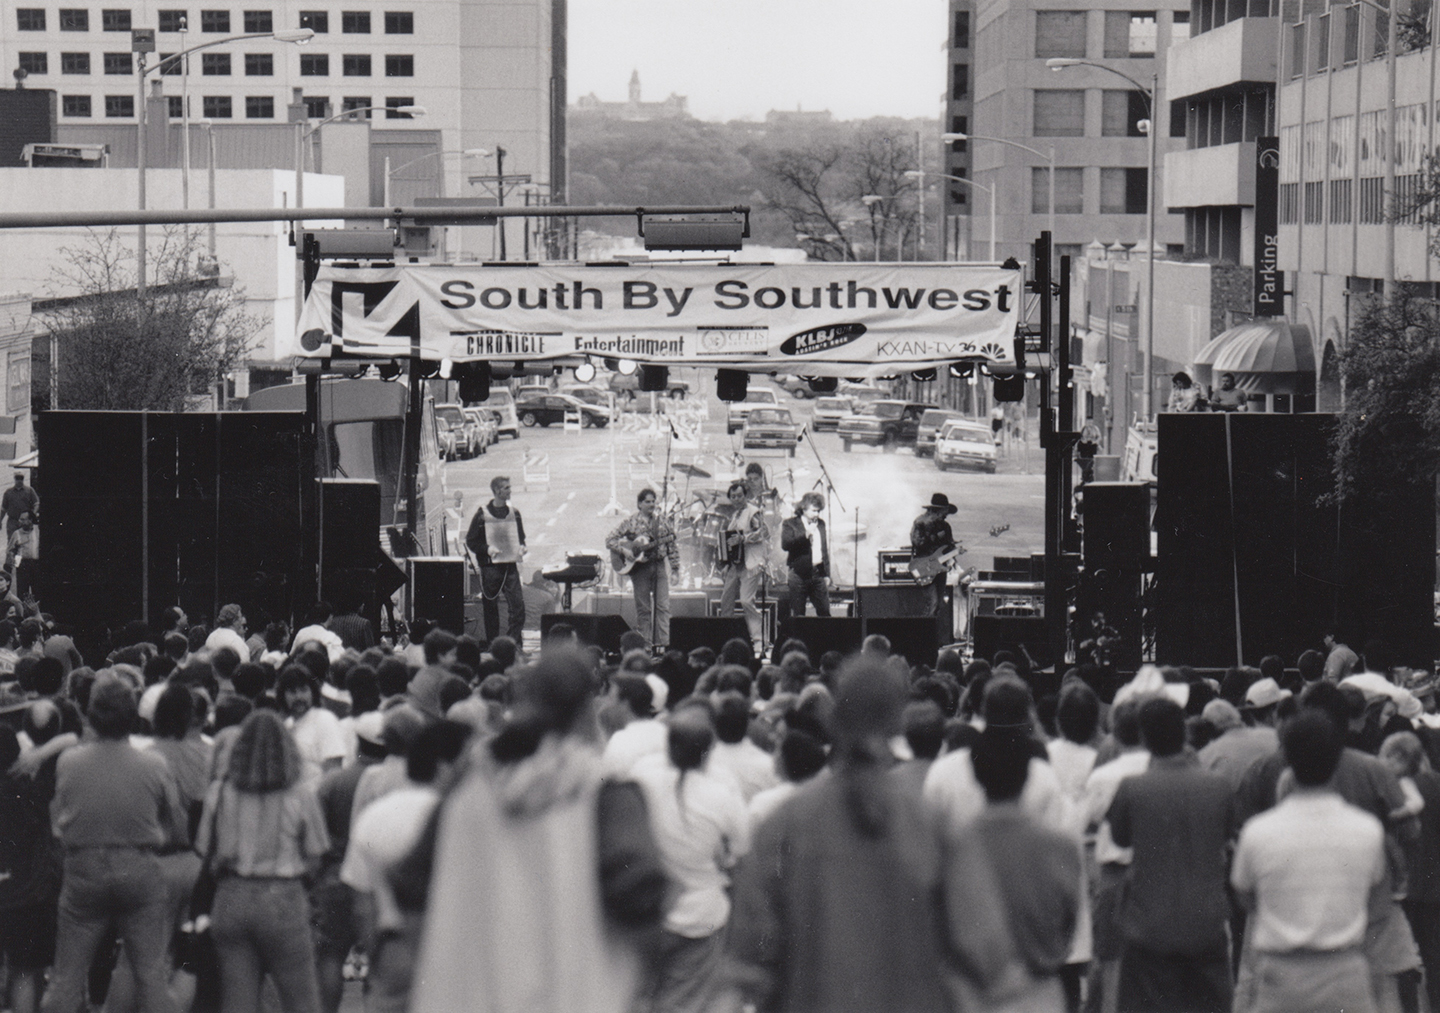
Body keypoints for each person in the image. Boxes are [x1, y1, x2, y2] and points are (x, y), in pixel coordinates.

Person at [728, 658, 1016, 1013]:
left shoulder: (785, 823)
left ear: (833, 720)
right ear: (897, 722)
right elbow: (988, 950)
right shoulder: (932, 826)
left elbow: (747, 958)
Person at [409, 649, 665, 1013]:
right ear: (586, 709)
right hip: (576, 995)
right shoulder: (603, 793)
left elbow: (410, 880)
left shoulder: (469, 786)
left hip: (474, 994)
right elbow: (641, 889)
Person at [42, 675, 187, 1013]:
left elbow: (57, 823)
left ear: (91, 715)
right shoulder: (153, 763)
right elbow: (178, 826)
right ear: (132, 715)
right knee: (151, 977)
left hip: (83, 870)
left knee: (66, 978)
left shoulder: (69, 762)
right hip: (139, 869)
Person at [1230, 710, 1385, 1013]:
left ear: (1286, 757)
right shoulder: (1367, 829)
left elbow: (1246, 897)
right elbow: (1375, 902)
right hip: (1345, 974)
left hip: (1281, 978)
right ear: (1337, 758)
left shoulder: (1258, 832)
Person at [1106, 696, 1234, 1013]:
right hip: (1206, 923)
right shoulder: (1218, 786)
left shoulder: (1131, 788)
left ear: (1145, 737)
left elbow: (1120, 839)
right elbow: (1227, 834)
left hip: (1148, 924)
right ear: (1184, 732)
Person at [197, 709, 329, 1013]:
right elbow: (315, 854)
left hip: (231, 897)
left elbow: (205, 848)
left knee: (238, 1001)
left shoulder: (220, 793)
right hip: (283, 897)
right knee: (301, 999)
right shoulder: (301, 795)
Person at [630, 702, 750, 1012]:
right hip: (700, 914)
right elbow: (742, 846)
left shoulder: (641, 775)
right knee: (684, 1002)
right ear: (709, 750)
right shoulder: (721, 791)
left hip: (646, 909)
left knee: (641, 996)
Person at [605, 487, 679, 651]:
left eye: (653, 501)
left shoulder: (662, 522)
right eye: (647, 501)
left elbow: (671, 546)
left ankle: (667, 646)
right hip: (640, 570)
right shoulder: (630, 522)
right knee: (643, 609)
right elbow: (609, 540)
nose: (651, 504)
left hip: (659, 566)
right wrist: (625, 551)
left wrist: (675, 569)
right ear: (639, 504)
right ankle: (646, 646)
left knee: (663, 607)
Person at [465, 476, 527, 643]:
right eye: (507, 488)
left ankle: (513, 643)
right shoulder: (482, 515)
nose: (510, 491)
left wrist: (522, 547)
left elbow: (521, 538)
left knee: (518, 608)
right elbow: (471, 540)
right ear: (498, 491)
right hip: (491, 568)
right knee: (491, 609)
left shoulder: (515, 514)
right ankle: (494, 644)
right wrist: (487, 549)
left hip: (510, 567)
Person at [718, 481, 768, 651]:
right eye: (733, 496)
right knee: (726, 601)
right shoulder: (735, 515)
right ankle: (726, 640)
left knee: (746, 601)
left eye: (740, 495)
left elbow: (763, 532)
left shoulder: (753, 512)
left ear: (745, 495)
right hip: (735, 565)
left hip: (751, 563)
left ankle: (759, 641)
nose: (737, 499)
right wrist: (726, 563)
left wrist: (743, 538)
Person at [911, 494, 959, 631]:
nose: (946, 515)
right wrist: (934, 538)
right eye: (945, 511)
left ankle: (931, 635)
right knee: (933, 602)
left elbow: (949, 545)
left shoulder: (945, 526)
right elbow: (917, 543)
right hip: (925, 567)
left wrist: (954, 553)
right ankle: (924, 634)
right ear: (939, 510)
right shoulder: (920, 523)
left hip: (940, 567)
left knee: (937, 605)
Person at [780, 492, 831, 619]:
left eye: (819, 511)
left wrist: (827, 574)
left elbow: (824, 549)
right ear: (804, 508)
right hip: (798, 574)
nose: (817, 514)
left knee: (825, 613)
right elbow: (785, 544)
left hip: (817, 573)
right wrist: (805, 535)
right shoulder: (790, 523)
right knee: (799, 615)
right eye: (814, 510)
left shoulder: (821, 524)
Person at [7, 510, 38, 601]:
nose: (19, 521)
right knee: (22, 592)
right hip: (23, 565)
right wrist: (15, 563)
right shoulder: (16, 533)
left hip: (37, 564)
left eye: (23, 519)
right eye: (20, 519)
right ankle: (23, 613)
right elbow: (10, 550)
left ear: (30, 520)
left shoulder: (38, 530)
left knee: (38, 590)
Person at [1, 471, 38, 538]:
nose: (19, 480)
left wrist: (32, 515)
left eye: (21, 478)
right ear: (14, 479)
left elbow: (36, 503)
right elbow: (3, 509)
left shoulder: (29, 490)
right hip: (12, 522)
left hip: (26, 522)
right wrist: (0, 520)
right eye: (17, 478)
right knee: (12, 541)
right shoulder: (8, 492)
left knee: (26, 541)